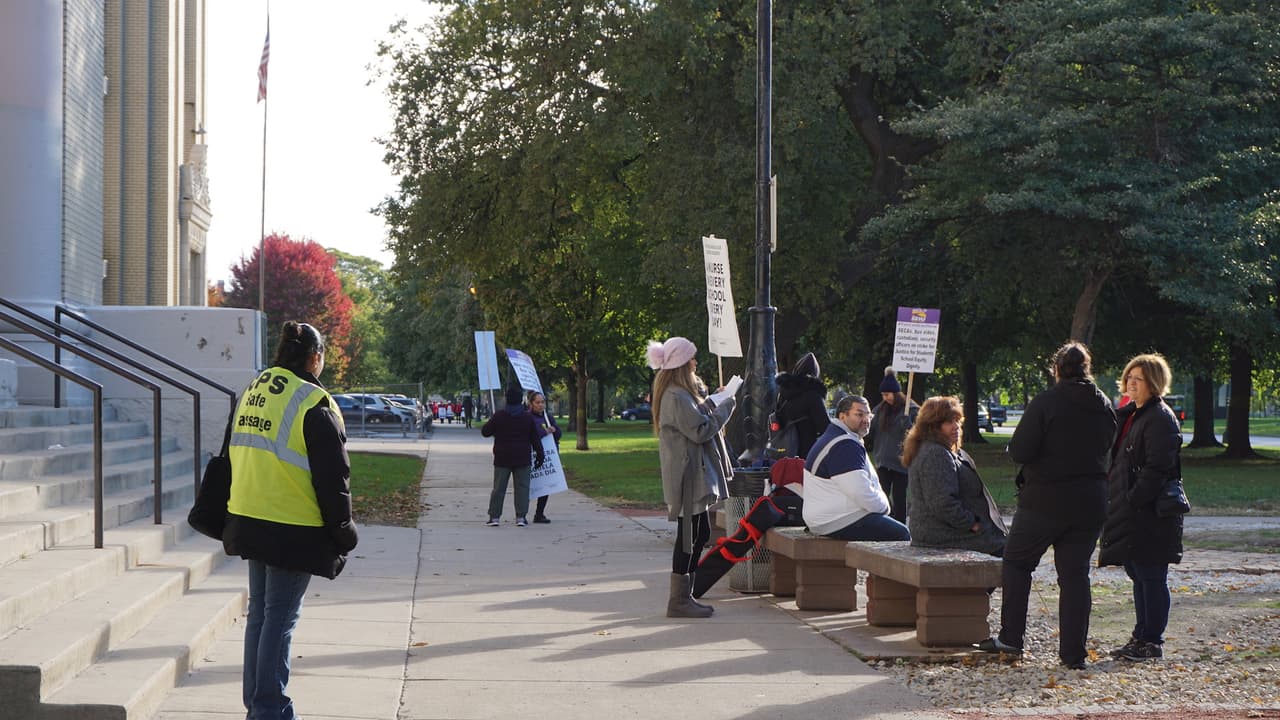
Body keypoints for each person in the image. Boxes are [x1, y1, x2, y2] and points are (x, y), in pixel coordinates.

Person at [222, 321, 359, 720]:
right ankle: (269, 710)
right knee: (278, 619)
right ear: (314, 357)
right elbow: (334, 477)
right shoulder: (312, 401)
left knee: (261, 615)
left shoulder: (256, 388)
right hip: (290, 526)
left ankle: (257, 705)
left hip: (248, 515)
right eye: (324, 355)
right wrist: (343, 531)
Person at [975, 342, 1117, 669]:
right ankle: (1073, 654)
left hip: (1045, 499)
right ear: (1087, 369)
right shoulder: (1104, 404)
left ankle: (1011, 637)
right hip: (1090, 499)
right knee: (1075, 576)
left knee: (1017, 562)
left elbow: (1022, 450)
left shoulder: (1047, 402)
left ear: (1057, 370)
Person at [1098, 353, 1184, 661]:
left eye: (1138, 379)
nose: (1130, 383)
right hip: (1129, 510)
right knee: (1137, 570)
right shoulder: (1132, 414)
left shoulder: (1160, 418)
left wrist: (1133, 499)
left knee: (1151, 574)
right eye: (1128, 378)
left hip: (1151, 513)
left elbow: (1157, 468)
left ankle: (1152, 641)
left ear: (1154, 383)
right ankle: (1140, 635)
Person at [648, 336, 735, 618]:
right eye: (692, 359)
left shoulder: (680, 394)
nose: (696, 363)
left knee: (699, 533)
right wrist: (726, 407)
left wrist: (715, 400)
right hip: (687, 475)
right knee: (689, 537)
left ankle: (687, 595)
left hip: (692, 472)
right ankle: (680, 600)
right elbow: (699, 429)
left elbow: (696, 415)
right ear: (682, 365)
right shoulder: (675, 395)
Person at [902, 396, 1007, 556]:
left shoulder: (940, 449)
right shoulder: (935, 453)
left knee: (1011, 546)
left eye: (957, 421)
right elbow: (943, 504)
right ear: (932, 427)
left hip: (945, 529)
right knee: (1012, 554)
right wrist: (973, 524)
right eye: (949, 422)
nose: (956, 427)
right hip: (942, 533)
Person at [803, 394, 911, 541]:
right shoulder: (844, 445)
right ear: (842, 416)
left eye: (869, 415)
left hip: (827, 518)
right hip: (837, 520)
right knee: (901, 533)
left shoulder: (835, 436)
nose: (866, 420)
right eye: (859, 414)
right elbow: (860, 492)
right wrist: (884, 508)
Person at [481, 383, 545, 527]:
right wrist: (540, 455)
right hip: (522, 457)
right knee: (522, 488)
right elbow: (535, 438)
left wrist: (492, 421)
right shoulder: (527, 418)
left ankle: (494, 516)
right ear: (520, 400)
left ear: (507, 399)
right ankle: (521, 517)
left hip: (502, 457)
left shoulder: (499, 416)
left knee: (498, 488)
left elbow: (485, 432)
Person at [866, 366, 917, 523]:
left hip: (901, 462)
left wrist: (907, 423)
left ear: (896, 393)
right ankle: (883, 522)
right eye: (883, 394)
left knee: (899, 497)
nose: (885, 398)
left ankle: (900, 525)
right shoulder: (880, 410)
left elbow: (917, 432)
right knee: (881, 494)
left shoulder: (911, 409)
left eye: (887, 394)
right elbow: (870, 428)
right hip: (883, 460)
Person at [772, 352, 829, 458]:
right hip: (807, 454)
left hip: (782, 451)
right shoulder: (813, 396)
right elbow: (825, 428)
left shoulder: (782, 395)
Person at [528, 390, 561, 523]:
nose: (541, 405)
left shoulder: (548, 417)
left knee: (545, 485)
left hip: (548, 455)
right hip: (532, 455)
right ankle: (521, 513)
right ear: (531, 403)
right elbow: (530, 434)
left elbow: (558, 434)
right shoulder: (528, 417)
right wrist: (544, 431)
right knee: (528, 485)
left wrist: (554, 430)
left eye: (542, 402)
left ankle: (539, 513)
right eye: (538, 402)